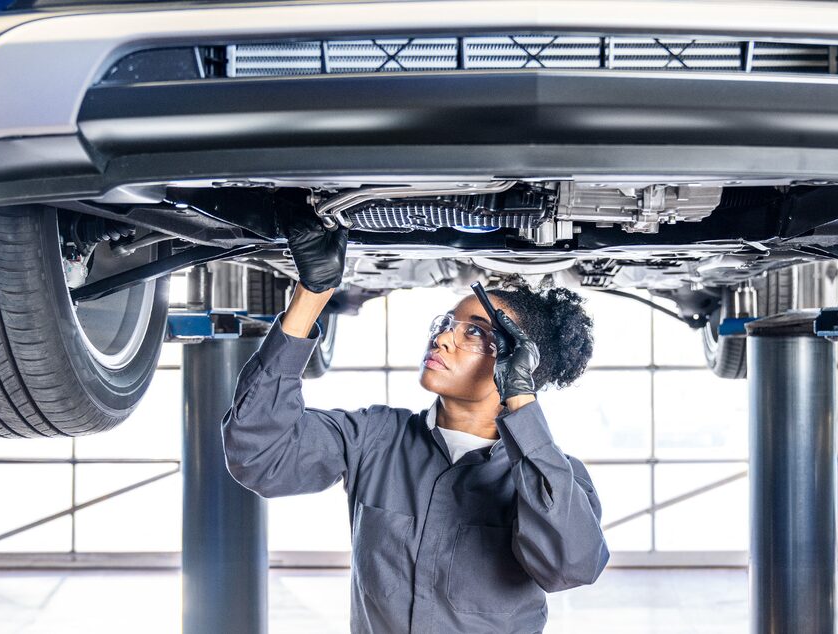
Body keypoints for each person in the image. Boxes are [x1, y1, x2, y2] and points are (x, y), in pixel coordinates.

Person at [220, 209, 610, 633]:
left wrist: (520, 395)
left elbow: (569, 567)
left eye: (476, 332)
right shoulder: (375, 437)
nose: (442, 337)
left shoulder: (556, 477)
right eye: (448, 324)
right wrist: (312, 295)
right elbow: (260, 456)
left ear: (520, 360)